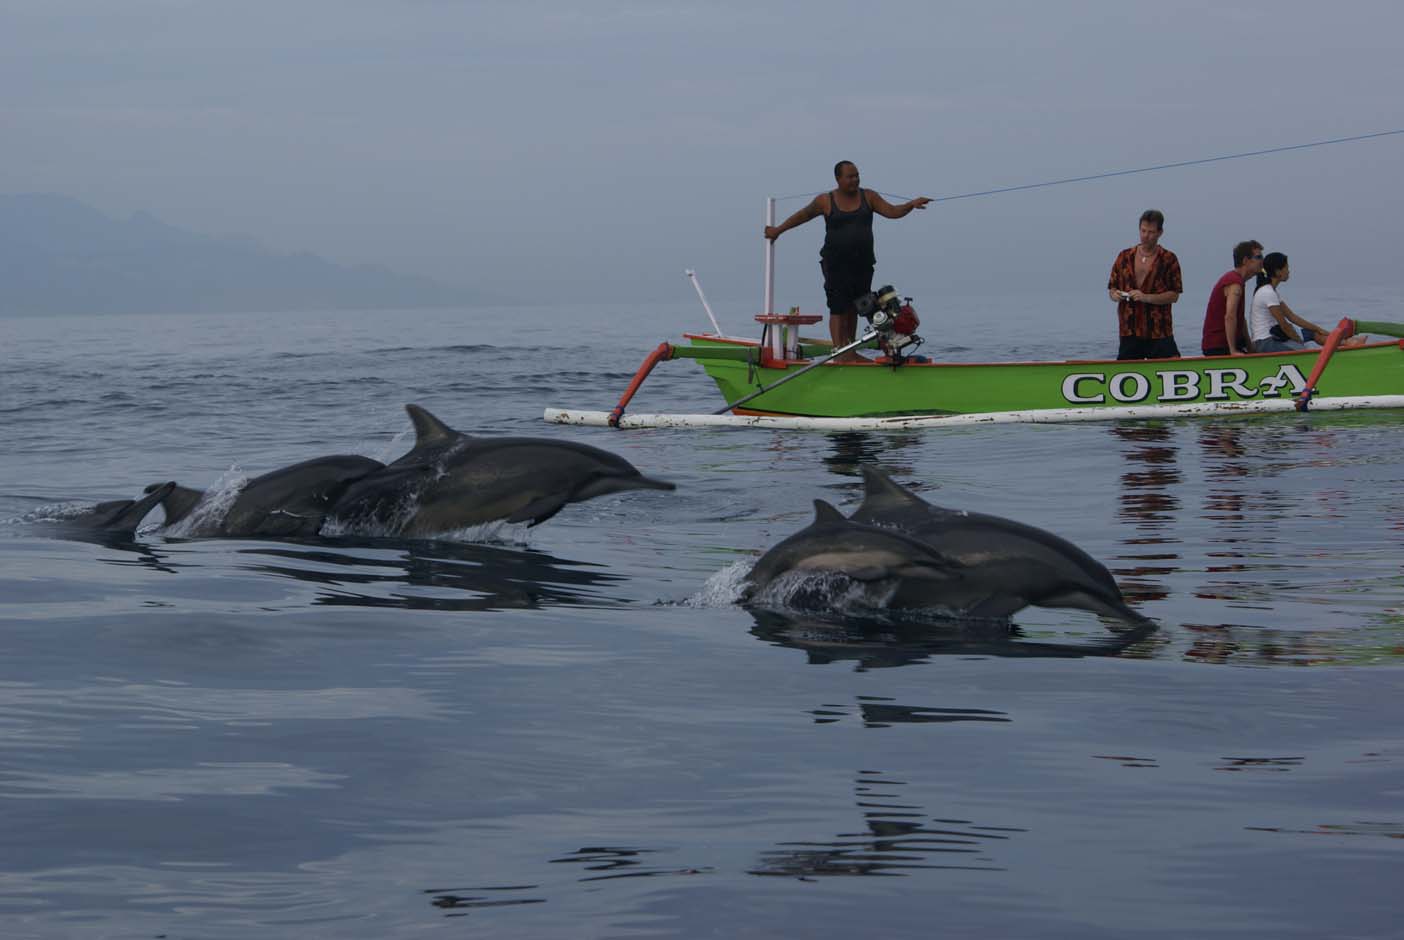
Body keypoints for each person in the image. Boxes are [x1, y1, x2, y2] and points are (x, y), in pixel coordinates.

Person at [764, 161, 931, 362]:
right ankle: (839, 352)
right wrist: (778, 231)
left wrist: (911, 205)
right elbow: (802, 216)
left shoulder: (868, 196)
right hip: (835, 263)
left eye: (857, 175)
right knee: (838, 307)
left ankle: (849, 349)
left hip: (863, 263)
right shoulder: (826, 200)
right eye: (850, 177)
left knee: (856, 306)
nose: (855, 180)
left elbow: (892, 212)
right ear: (838, 179)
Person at [1248, 252, 1365, 352]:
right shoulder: (1267, 293)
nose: (1289, 271)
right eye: (1286, 267)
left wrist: (1317, 328)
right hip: (1265, 343)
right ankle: (1343, 345)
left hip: (1274, 337)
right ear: (1278, 272)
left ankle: (1347, 343)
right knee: (1303, 349)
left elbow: (1292, 317)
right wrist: (1298, 341)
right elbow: (1284, 324)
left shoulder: (1271, 292)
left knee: (1312, 333)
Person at [1107, 209, 1183, 360]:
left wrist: (1146, 297)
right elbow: (1112, 288)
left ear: (1160, 232)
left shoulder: (1169, 259)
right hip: (1130, 330)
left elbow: (1174, 295)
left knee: (1171, 366)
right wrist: (1115, 295)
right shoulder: (1124, 257)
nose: (1145, 236)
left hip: (1158, 329)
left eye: (1151, 232)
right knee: (1126, 371)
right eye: (1143, 231)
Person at [1200, 240, 1264, 357]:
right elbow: (1230, 316)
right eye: (1258, 257)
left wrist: (1249, 347)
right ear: (1245, 260)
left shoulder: (1239, 281)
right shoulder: (1234, 282)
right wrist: (1233, 350)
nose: (1262, 261)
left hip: (1230, 344)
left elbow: (1240, 318)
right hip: (1218, 346)